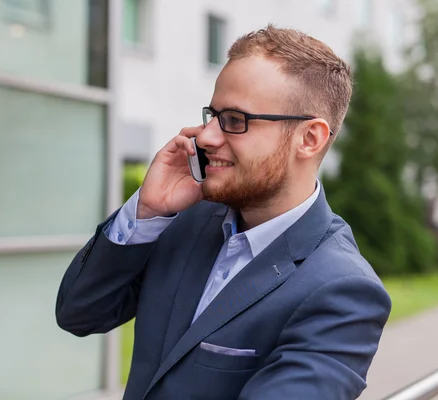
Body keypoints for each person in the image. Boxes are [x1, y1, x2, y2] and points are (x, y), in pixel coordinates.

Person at [56, 25, 391, 400]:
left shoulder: (344, 291)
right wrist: (147, 212)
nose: (206, 137)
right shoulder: (185, 220)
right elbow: (79, 313)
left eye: (235, 121)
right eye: (212, 116)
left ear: (309, 139)